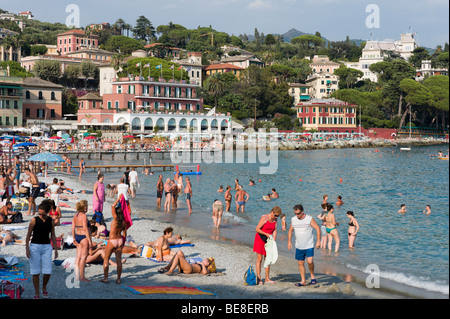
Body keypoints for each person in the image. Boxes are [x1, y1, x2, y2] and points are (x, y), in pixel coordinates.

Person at [25, 200, 58, 299]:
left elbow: (53, 235)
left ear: (47, 212)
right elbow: (28, 235)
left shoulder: (51, 221)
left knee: (48, 271)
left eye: (43, 214)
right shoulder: (34, 220)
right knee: (35, 272)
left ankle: (44, 287)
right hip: (34, 246)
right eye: (39, 213)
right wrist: (27, 248)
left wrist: (56, 249)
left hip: (47, 247)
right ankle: (37, 293)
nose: (41, 215)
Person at [288, 204, 321, 287]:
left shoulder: (309, 219)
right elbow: (290, 230)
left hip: (309, 245)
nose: (297, 215)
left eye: (298, 213)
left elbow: (317, 228)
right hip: (299, 246)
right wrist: (289, 241)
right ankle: (303, 280)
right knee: (300, 263)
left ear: (302, 211)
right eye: (295, 213)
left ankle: (312, 276)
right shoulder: (293, 219)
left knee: (310, 261)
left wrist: (318, 241)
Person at [100, 197, 128, 284]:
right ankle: (118, 279)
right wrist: (122, 243)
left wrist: (118, 199)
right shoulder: (124, 222)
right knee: (119, 260)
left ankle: (105, 278)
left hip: (112, 241)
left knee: (106, 259)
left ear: (116, 212)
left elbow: (112, 206)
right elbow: (125, 234)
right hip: (120, 240)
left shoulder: (115, 219)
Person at [253, 207, 281, 285]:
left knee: (267, 258)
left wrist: (274, 241)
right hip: (260, 238)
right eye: (275, 215)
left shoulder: (275, 220)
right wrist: (266, 234)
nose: (276, 217)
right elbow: (257, 229)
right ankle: (259, 278)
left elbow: (275, 230)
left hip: (268, 241)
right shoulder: (264, 218)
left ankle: (267, 278)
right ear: (272, 212)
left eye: (277, 216)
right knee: (260, 259)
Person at [72, 200, 92, 282]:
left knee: (78, 257)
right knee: (83, 257)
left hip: (77, 236)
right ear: (84, 207)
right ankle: (82, 277)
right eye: (87, 206)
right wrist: (89, 240)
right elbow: (85, 228)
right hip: (84, 237)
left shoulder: (75, 216)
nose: (87, 207)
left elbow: (73, 227)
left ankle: (77, 276)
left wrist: (73, 238)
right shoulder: (84, 216)